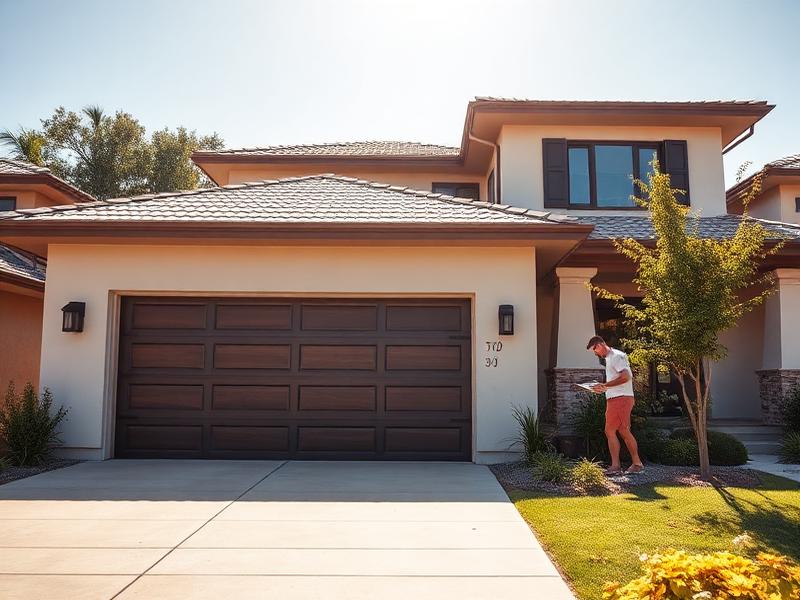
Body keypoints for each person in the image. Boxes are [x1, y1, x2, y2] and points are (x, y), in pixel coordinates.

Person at [586, 335, 644, 475]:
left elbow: (626, 376)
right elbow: (618, 379)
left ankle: (616, 466)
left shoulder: (616, 356)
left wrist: (605, 385)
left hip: (620, 399)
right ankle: (636, 464)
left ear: (600, 345)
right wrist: (603, 388)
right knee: (623, 430)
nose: (595, 353)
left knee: (610, 431)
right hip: (618, 398)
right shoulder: (610, 358)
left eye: (595, 350)